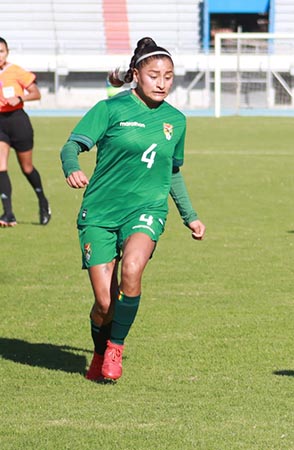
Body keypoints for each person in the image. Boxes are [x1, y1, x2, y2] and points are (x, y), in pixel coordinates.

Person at [60, 37, 206, 382]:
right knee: (105, 305)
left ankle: (116, 348)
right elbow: (71, 146)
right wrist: (72, 168)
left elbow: (171, 171)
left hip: (147, 209)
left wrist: (190, 215)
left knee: (133, 268)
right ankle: (99, 351)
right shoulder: (109, 110)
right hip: (99, 212)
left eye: (169, 76)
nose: (162, 83)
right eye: (154, 75)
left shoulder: (176, 121)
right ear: (136, 75)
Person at [0, 37, 50, 227]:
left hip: (18, 122)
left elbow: (36, 93)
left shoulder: (16, 71)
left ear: (7, 52)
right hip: (0, 123)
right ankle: (8, 213)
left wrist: (20, 97)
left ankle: (43, 202)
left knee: (27, 168)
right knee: (0, 166)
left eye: (1, 51)